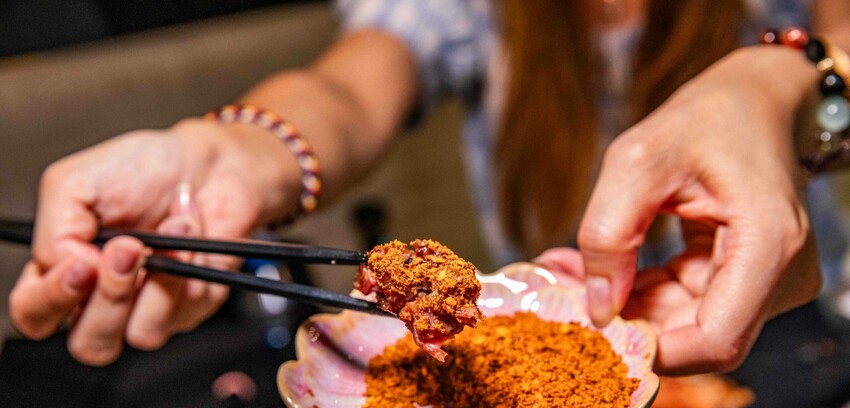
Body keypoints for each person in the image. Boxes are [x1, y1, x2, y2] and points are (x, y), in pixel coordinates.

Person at [8, 0, 850, 373]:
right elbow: (349, 88)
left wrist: (777, 79)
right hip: (561, 342)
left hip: (795, 311)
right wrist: (227, 153)